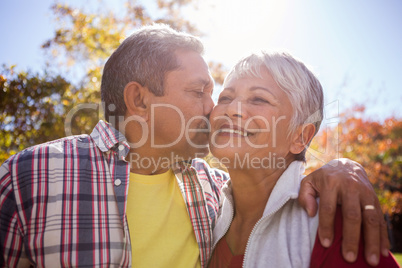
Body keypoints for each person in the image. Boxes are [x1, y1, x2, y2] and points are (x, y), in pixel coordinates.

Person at [0, 24, 389, 267]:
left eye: (256, 99)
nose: (217, 109)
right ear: (139, 100)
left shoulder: (214, 192)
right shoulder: (29, 177)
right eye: (204, 92)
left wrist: (342, 168)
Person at [207, 51, 399, 267]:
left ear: (300, 137)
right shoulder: (203, 206)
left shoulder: (332, 224)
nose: (232, 109)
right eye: (225, 98)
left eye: (259, 99)